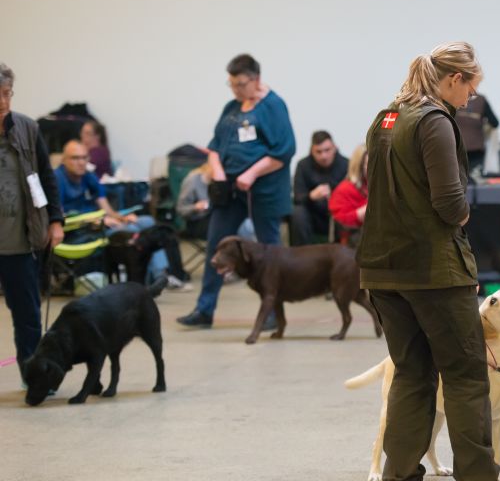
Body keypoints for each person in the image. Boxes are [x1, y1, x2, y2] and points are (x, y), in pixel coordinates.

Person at [356, 41, 500, 481]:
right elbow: (450, 202)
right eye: (471, 89)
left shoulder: (386, 118)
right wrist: (462, 212)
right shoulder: (436, 121)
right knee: (463, 375)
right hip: (435, 271)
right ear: (452, 80)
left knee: (411, 373)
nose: (471, 101)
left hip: (383, 270)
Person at [177, 53, 295, 328]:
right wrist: (217, 170)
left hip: (262, 191)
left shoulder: (273, 106)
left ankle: (273, 313)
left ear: (256, 80)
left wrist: (252, 173)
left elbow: (284, 150)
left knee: (270, 253)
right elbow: (215, 145)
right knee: (216, 247)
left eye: (240, 84)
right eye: (231, 84)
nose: (236, 90)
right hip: (228, 191)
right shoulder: (231, 108)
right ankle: (204, 309)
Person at [0, 63, 65, 389]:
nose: (2, 101)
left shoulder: (27, 128)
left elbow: (47, 178)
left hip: (20, 241)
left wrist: (56, 220)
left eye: (7, 93)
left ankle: (36, 375)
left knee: (27, 315)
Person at [55, 140, 190, 289]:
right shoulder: (57, 179)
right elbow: (59, 217)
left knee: (147, 223)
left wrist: (121, 218)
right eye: (75, 158)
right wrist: (97, 221)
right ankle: (139, 281)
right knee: (131, 232)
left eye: (84, 157)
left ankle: (161, 276)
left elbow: (106, 208)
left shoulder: (88, 176)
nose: (81, 162)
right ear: (64, 160)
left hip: (100, 222)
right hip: (78, 231)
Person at [290, 131, 348, 245]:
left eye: (327, 150)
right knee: (298, 213)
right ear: (312, 150)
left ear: (335, 148)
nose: (324, 156)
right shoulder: (303, 165)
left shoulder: (346, 164)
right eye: (319, 152)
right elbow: (297, 198)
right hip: (313, 215)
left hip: (338, 213)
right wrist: (311, 196)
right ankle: (302, 255)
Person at [455, 92, 499, 175]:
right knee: (474, 180)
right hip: (475, 150)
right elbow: (494, 123)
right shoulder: (481, 100)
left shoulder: (453, 98)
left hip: (457, 148)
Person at [328, 144, 367, 235]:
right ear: (359, 166)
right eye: (368, 164)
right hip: (354, 240)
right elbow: (339, 223)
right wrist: (359, 214)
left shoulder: (383, 186)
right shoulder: (344, 190)